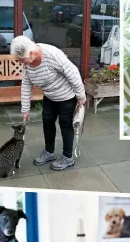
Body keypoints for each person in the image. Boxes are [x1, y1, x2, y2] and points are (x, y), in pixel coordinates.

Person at [10, 36, 86, 171]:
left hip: (66, 97)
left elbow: (73, 74)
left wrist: (81, 97)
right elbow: (26, 84)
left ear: (31, 54)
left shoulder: (53, 55)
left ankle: (68, 157)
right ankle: (49, 152)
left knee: (65, 125)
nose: (21, 63)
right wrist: (25, 109)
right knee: (47, 122)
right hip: (50, 96)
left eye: (22, 60)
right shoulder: (27, 64)